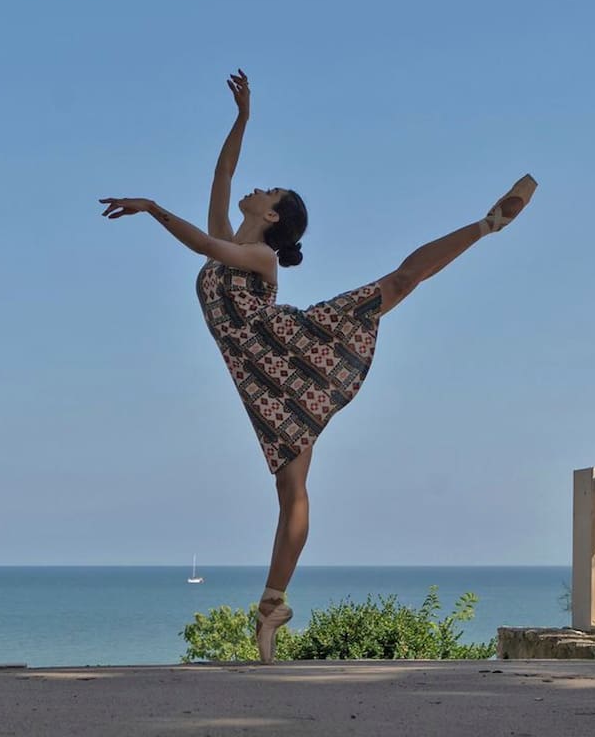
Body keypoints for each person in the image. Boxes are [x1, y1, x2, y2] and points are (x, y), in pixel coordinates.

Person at [98, 69, 537, 663]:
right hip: (266, 382)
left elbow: (205, 248)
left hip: (293, 350)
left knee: (398, 283)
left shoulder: (255, 255)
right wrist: (243, 118)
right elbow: (223, 177)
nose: (258, 188)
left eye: (270, 191)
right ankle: (274, 605)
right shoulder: (236, 235)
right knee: (292, 492)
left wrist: (151, 207)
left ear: (273, 217)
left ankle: (488, 224)